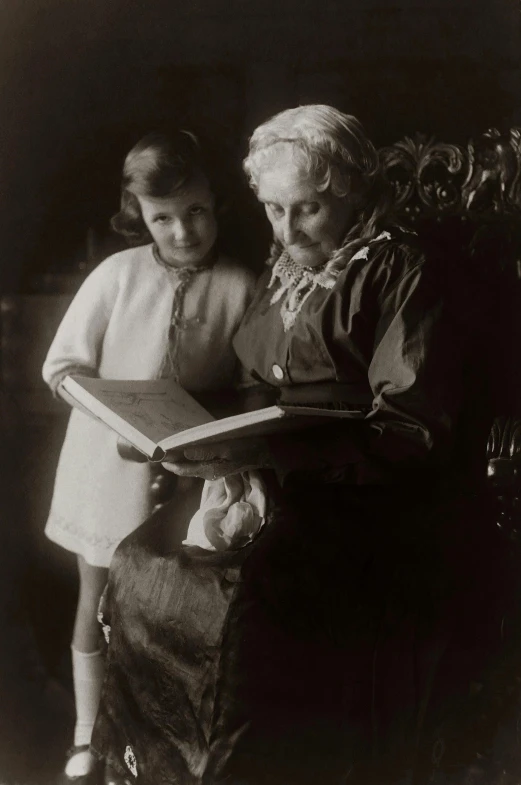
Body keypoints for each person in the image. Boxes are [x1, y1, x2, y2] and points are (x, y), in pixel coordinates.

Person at [91, 106, 504, 784]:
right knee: (142, 557)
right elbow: (257, 382)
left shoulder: (404, 269)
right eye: (274, 211)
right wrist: (182, 437)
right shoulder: (286, 267)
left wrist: (265, 456)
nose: (286, 231)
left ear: (351, 188)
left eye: (307, 209)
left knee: (246, 588)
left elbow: (410, 431)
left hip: (379, 498)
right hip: (282, 478)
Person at [42, 129, 256, 785]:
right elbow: (63, 365)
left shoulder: (242, 285)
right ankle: (86, 733)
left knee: (163, 611)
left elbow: (249, 382)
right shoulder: (116, 275)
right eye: (162, 218)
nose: (183, 231)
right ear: (139, 215)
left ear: (214, 202)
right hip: (106, 465)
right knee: (96, 595)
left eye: (194, 211)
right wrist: (108, 404)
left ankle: (149, 734)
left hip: (189, 473)